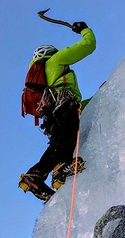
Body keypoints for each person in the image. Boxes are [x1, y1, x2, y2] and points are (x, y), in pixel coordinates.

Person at [19, 21, 96, 201]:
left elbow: (78, 109)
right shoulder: (55, 60)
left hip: (50, 115)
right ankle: (63, 167)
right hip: (64, 103)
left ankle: (35, 174)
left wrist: (96, 98)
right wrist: (84, 30)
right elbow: (88, 45)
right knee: (69, 133)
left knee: (56, 144)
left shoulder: (38, 75)